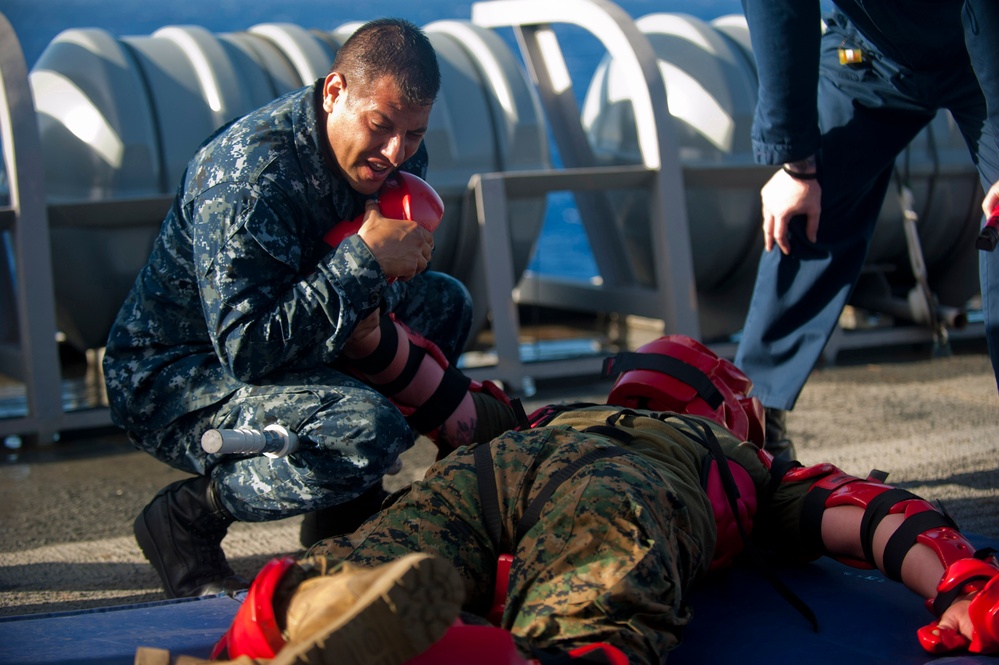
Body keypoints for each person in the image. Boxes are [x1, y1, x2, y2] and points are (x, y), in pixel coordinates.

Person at [134, 336, 999, 665]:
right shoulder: (741, 460)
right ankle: (452, 651)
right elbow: (876, 517)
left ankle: (277, 619)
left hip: (494, 465)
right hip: (627, 493)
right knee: (585, 628)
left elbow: (444, 397)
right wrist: (960, 583)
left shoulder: (551, 411)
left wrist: (373, 337)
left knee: (385, 552)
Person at [102, 18, 516, 600]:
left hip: (289, 342)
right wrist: (363, 265)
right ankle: (188, 518)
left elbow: (376, 301)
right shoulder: (252, 175)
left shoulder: (392, 158)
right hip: (179, 375)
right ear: (333, 93)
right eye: (381, 126)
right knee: (366, 430)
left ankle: (344, 510)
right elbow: (247, 350)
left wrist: (381, 282)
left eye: (415, 135)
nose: (396, 153)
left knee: (446, 304)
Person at [733, 0, 999, 459]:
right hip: (873, 49)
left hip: (987, 45)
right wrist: (798, 163)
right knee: (805, 205)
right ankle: (757, 416)